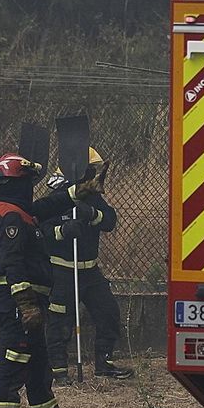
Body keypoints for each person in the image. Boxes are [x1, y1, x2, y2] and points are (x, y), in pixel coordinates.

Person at [0, 152, 95, 408]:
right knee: (10, 374)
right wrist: (26, 304)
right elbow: (12, 264)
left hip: (30, 308)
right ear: (18, 183)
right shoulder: (11, 218)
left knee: (38, 374)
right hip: (19, 308)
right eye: (29, 182)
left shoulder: (19, 211)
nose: (33, 188)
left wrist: (78, 191)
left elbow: (46, 207)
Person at [43, 147, 134, 384]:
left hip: (89, 270)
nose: (93, 174)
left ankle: (104, 363)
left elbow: (110, 221)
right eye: (90, 169)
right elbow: (40, 231)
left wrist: (92, 213)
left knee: (108, 313)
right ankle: (58, 370)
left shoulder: (92, 196)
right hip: (62, 269)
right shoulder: (57, 196)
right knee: (60, 321)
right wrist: (63, 231)